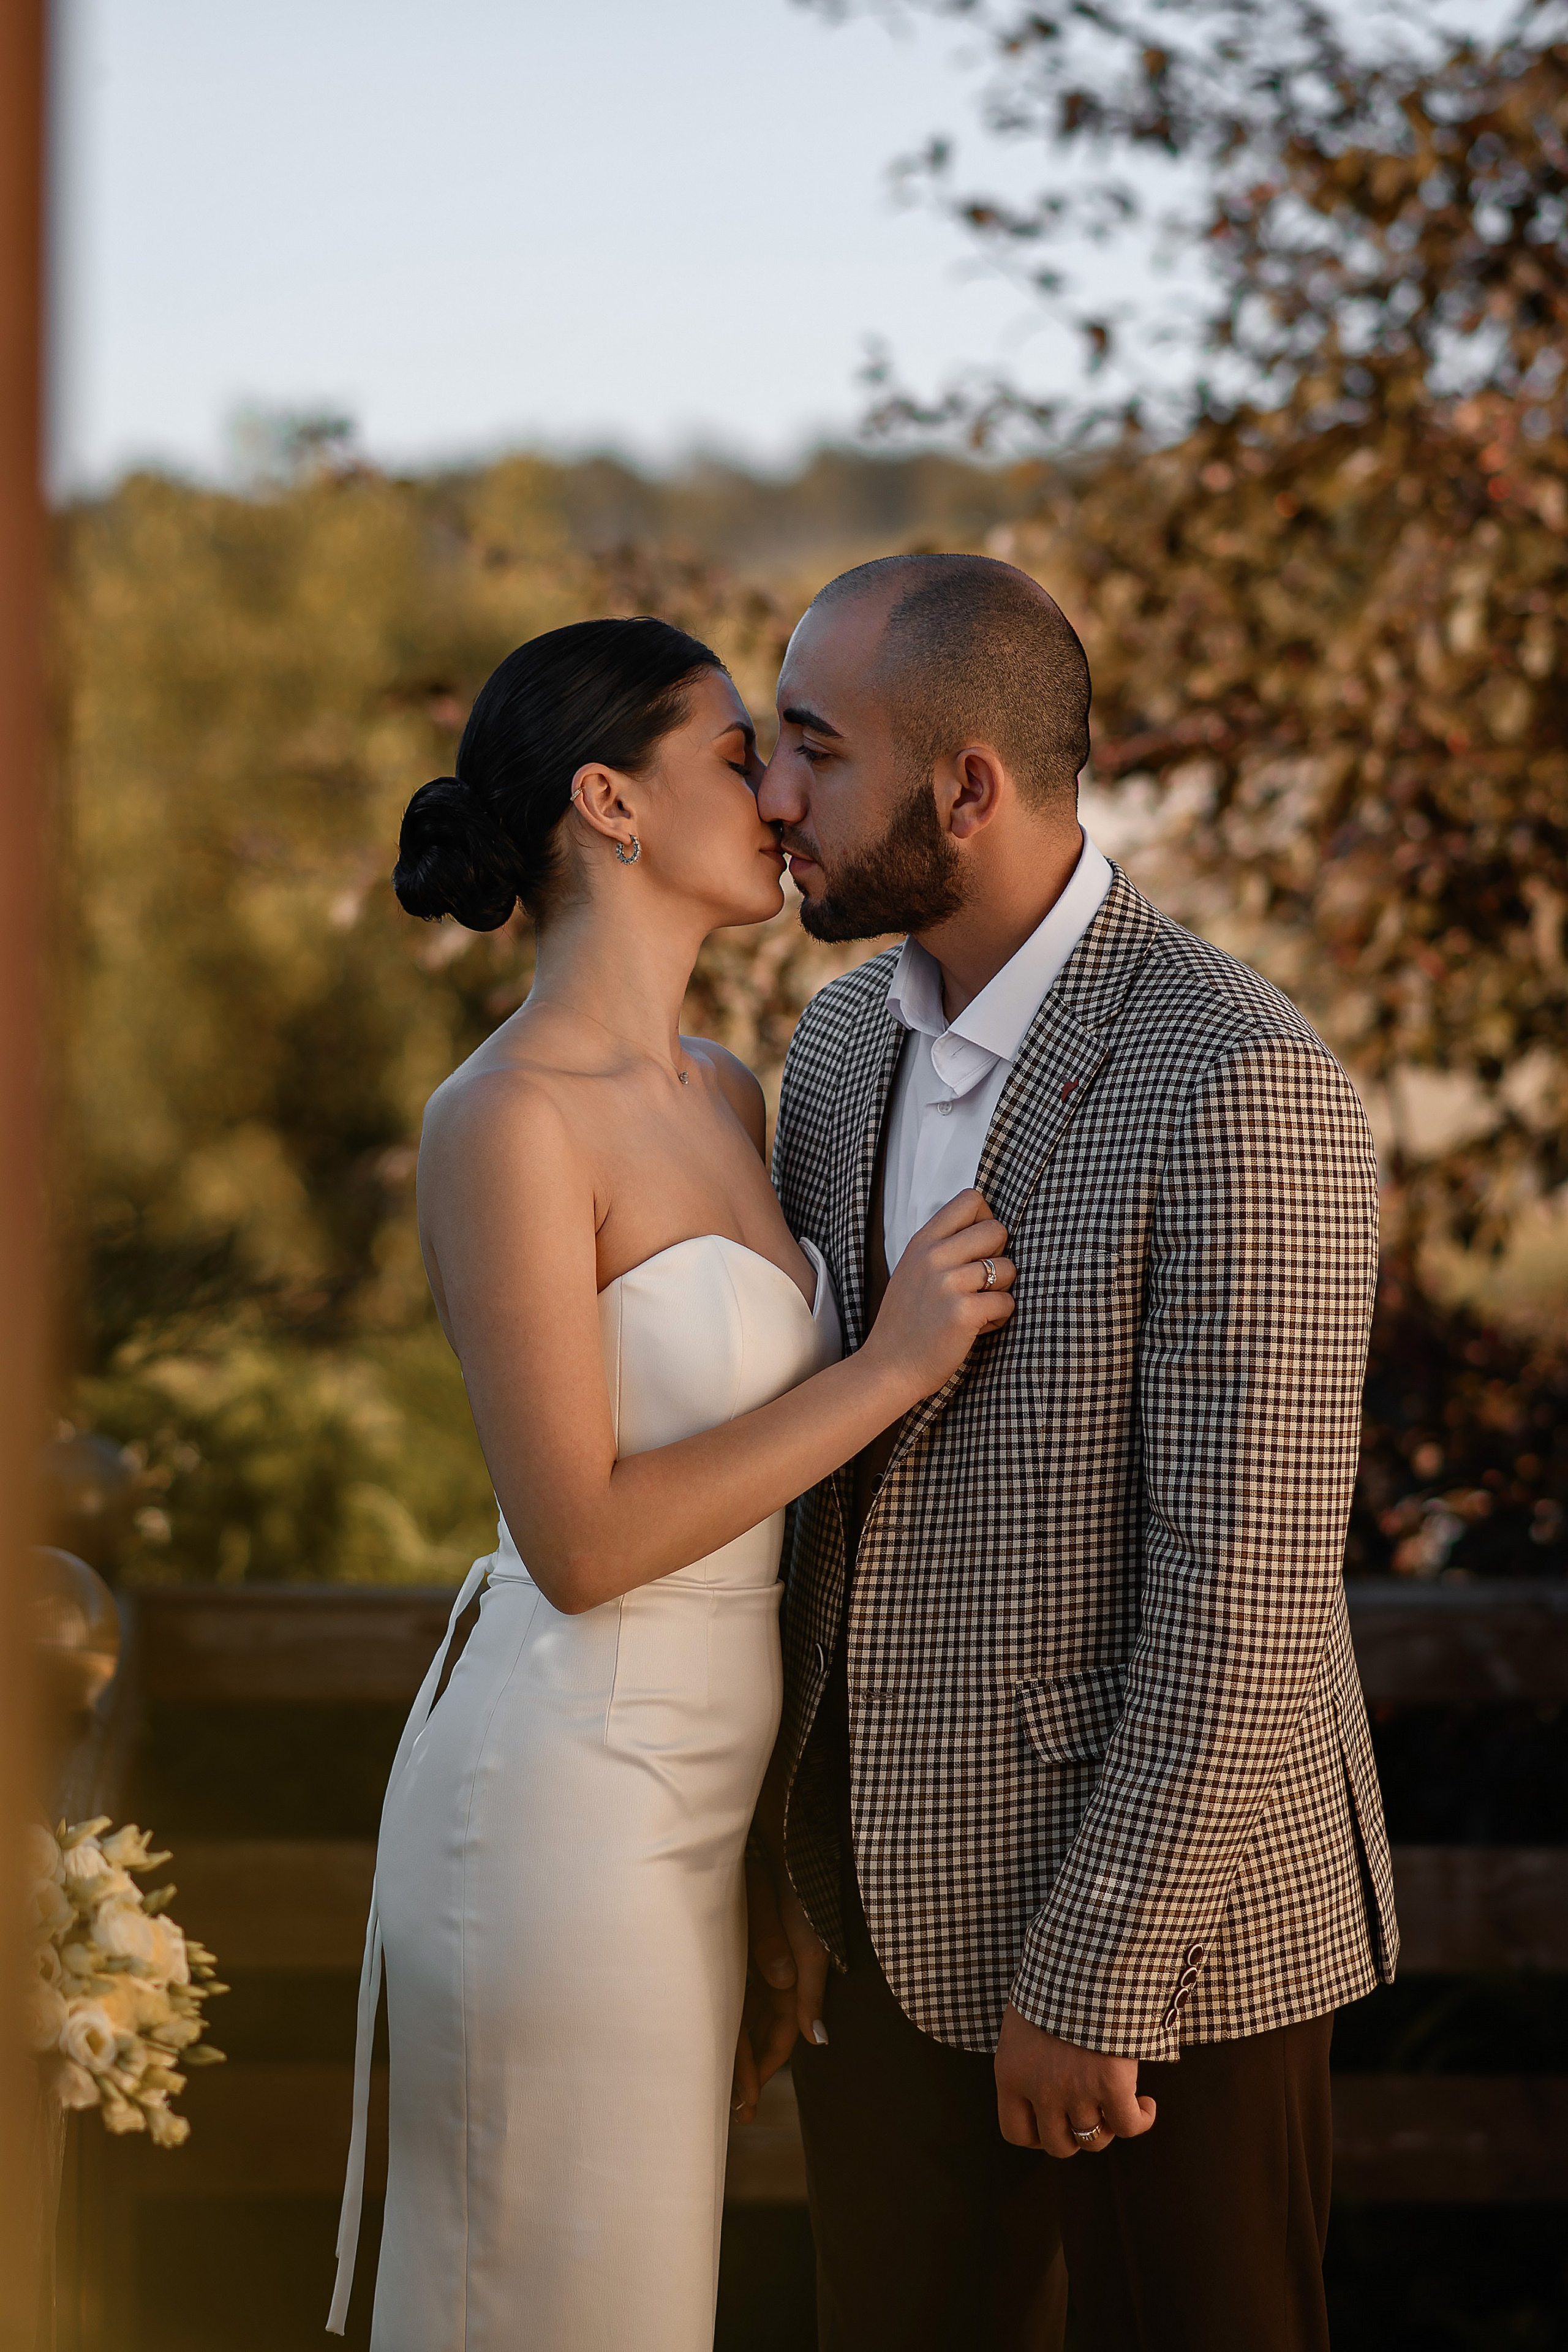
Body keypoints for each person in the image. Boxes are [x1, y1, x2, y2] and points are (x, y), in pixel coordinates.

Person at [326, 617, 1017, 2352]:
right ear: (611, 802)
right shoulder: (507, 1121)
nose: (783, 798)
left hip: (705, 1811)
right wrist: (892, 1367)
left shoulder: (725, 1084)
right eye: (739, 755)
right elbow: (582, 1538)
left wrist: (774, 1866)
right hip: (563, 1800)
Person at [745, 553, 1400, 2352]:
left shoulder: (1238, 1081)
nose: (770, 793)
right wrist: (785, 1873)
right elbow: (823, 1506)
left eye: (813, 745)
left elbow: (1245, 1592)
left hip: (1168, 1967)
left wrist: (1096, 1971)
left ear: (968, 787)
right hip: (873, 1944)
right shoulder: (825, 1059)